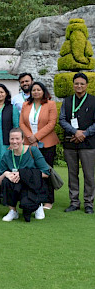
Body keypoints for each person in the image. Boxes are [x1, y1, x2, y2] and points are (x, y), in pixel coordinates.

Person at [59, 72, 95, 214]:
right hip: (71, 143)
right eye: (76, 83)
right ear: (73, 85)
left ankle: (88, 203)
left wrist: (84, 134)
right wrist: (75, 132)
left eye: (82, 83)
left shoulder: (93, 100)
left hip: (89, 144)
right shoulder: (67, 101)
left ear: (86, 85)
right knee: (72, 173)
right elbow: (62, 119)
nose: (79, 86)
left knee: (89, 174)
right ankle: (74, 201)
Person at [19, 81, 59, 209]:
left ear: (43, 91)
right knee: (30, 171)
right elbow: (22, 123)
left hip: (46, 143)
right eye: (33, 90)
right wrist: (30, 138)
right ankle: (33, 197)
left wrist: (36, 137)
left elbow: (52, 124)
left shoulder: (50, 104)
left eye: (38, 90)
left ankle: (48, 200)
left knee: (46, 171)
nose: (36, 92)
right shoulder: (26, 104)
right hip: (29, 143)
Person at [0, 128, 50, 222]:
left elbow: (46, 173)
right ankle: (13, 211)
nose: (14, 142)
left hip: (32, 185)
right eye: (12, 139)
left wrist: (23, 174)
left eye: (17, 139)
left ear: (22, 140)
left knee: (28, 207)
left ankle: (38, 205)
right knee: (6, 181)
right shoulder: (7, 155)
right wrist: (6, 173)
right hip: (16, 185)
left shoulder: (33, 150)